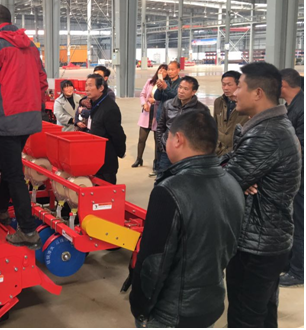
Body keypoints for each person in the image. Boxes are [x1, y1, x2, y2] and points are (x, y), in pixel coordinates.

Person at [130, 111, 245, 328]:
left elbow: (154, 263)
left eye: (168, 136)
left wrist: (140, 308)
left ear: (178, 139)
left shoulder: (169, 191)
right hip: (210, 304)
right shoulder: (232, 184)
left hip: (171, 314)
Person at [221, 62, 301, 327]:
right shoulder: (270, 126)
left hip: (255, 246)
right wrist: (234, 173)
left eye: (240, 86)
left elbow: (223, 184)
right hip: (267, 241)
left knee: (245, 319)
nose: (234, 93)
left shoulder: (266, 134)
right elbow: (232, 173)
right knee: (263, 314)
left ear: (257, 93)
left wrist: (232, 177)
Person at [0, 4, 48, 250]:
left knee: (13, 174)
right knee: (9, 165)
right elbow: (42, 81)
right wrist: (37, 109)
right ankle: (1, 209)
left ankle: (27, 230)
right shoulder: (30, 46)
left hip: (5, 120)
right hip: (28, 119)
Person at [279, 68, 304, 287]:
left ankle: (299, 271)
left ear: (283, 85)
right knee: (293, 221)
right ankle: (291, 264)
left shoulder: (302, 107)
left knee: (300, 223)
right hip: (295, 175)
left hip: (301, 177)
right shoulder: (292, 105)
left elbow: (300, 147)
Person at [156, 76, 210, 173]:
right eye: (180, 87)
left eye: (185, 89)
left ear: (193, 92)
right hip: (168, 152)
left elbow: (205, 135)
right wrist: (162, 146)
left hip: (188, 156)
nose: (181, 91)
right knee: (163, 179)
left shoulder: (201, 110)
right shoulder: (168, 105)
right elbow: (160, 127)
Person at [85, 73, 126, 184]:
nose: (87, 89)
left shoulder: (109, 108)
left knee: (105, 190)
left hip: (106, 161)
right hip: (95, 158)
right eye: (86, 85)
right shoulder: (95, 104)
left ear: (101, 88)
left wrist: (120, 152)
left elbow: (118, 135)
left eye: (90, 85)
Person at [150, 61, 182, 177]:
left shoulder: (181, 84)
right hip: (162, 116)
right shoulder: (166, 82)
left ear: (178, 70)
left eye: (172, 69)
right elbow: (157, 98)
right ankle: (159, 169)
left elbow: (177, 97)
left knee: (172, 144)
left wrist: (165, 88)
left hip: (174, 120)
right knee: (160, 143)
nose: (170, 72)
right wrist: (159, 88)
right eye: (169, 69)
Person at [133, 64, 168, 168]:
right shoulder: (150, 82)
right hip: (147, 113)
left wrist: (155, 101)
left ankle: (156, 162)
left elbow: (166, 99)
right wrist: (144, 103)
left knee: (157, 141)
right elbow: (142, 94)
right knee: (141, 139)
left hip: (158, 114)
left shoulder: (167, 85)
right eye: (160, 70)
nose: (161, 72)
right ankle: (139, 159)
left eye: (164, 70)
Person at [213, 71, 249, 156]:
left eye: (229, 85)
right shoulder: (218, 102)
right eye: (223, 84)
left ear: (239, 85)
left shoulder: (247, 104)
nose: (225, 88)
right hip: (219, 152)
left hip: (238, 153)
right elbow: (215, 125)